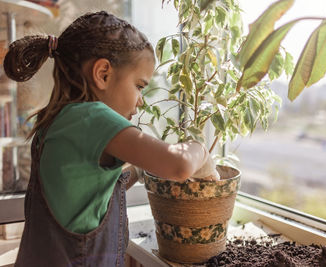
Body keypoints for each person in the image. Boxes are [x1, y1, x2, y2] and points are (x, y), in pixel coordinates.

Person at [3, 11, 219, 267]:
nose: (141, 101)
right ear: (103, 73)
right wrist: (201, 152)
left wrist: (139, 169)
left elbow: (91, 194)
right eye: (139, 86)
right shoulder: (91, 116)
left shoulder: (58, 122)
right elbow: (179, 165)